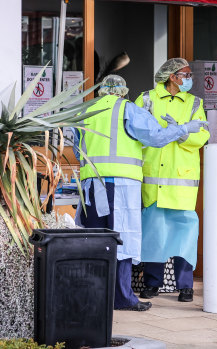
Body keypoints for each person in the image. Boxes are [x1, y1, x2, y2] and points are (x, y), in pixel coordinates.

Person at [74, 74, 208, 311]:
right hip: (121, 186)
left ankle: (93, 297)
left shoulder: (85, 110)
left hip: (91, 186)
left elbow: (77, 151)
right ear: (123, 92)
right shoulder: (128, 110)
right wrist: (183, 129)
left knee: (93, 240)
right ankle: (123, 298)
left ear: (102, 91)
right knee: (123, 240)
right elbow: (156, 138)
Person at [135, 58, 210, 302]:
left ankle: (185, 286)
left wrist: (180, 131)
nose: (190, 79)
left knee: (185, 236)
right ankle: (152, 284)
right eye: (186, 74)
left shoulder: (194, 102)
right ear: (172, 76)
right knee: (154, 235)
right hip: (153, 180)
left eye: (189, 75)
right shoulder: (146, 99)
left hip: (182, 181)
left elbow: (201, 136)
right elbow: (135, 131)